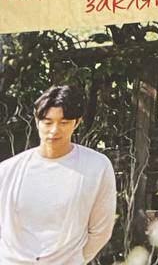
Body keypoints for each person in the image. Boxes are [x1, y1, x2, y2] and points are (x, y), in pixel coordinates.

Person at [0, 85, 116, 265]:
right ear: (37, 121)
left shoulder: (96, 167)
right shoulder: (8, 171)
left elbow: (101, 230)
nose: (54, 130)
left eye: (64, 123)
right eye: (47, 122)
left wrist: (73, 260)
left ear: (76, 123)